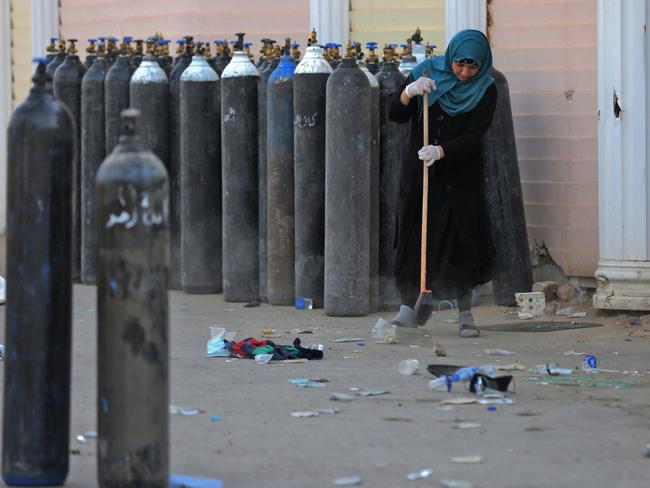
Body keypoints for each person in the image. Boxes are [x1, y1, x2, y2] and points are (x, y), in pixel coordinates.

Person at [388, 29, 497, 337]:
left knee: (459, 240)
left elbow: (475, 135)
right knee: (413, 236)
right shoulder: (425, 73)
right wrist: (409, 90)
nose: (464, 73)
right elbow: (395, 112)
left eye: (471, 67)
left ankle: (465, 312)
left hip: (459, 176)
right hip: (420, 172)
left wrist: (442, 150)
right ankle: (408, 307)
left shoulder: (486, 89)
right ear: (450, 58)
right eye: (459, 65)